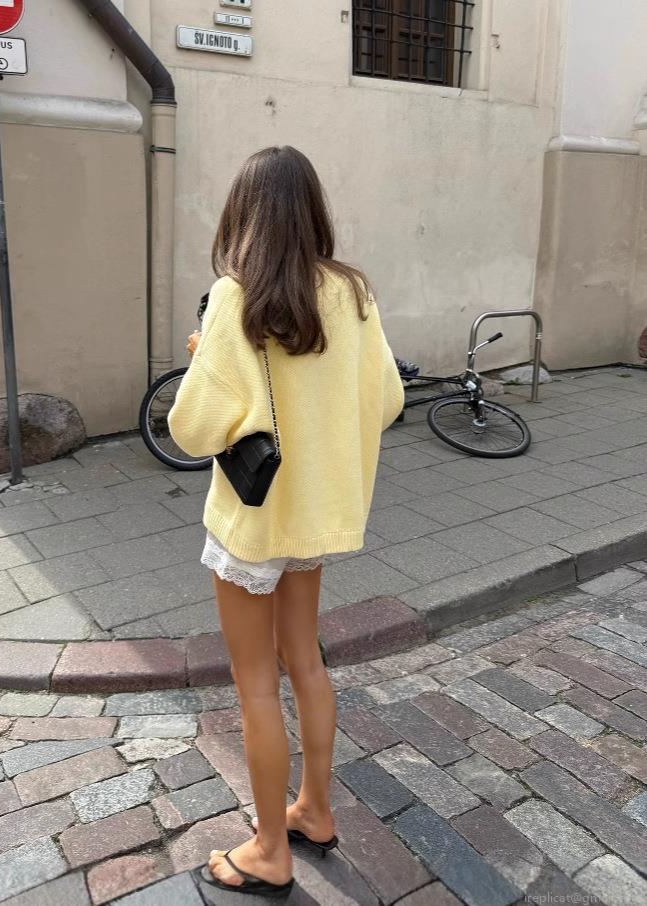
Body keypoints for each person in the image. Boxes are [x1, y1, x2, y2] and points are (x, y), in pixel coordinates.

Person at [168, 145, 404, 896]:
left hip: (253, 520)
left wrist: (204, 359)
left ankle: (270, 850)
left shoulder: (235, 297)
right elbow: (389, 400)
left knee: (255, 687)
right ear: (313, 211)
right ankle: (316, 811)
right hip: (316, 517)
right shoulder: (353, 293)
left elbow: (192, 430)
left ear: (243, 215)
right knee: (306, 661)